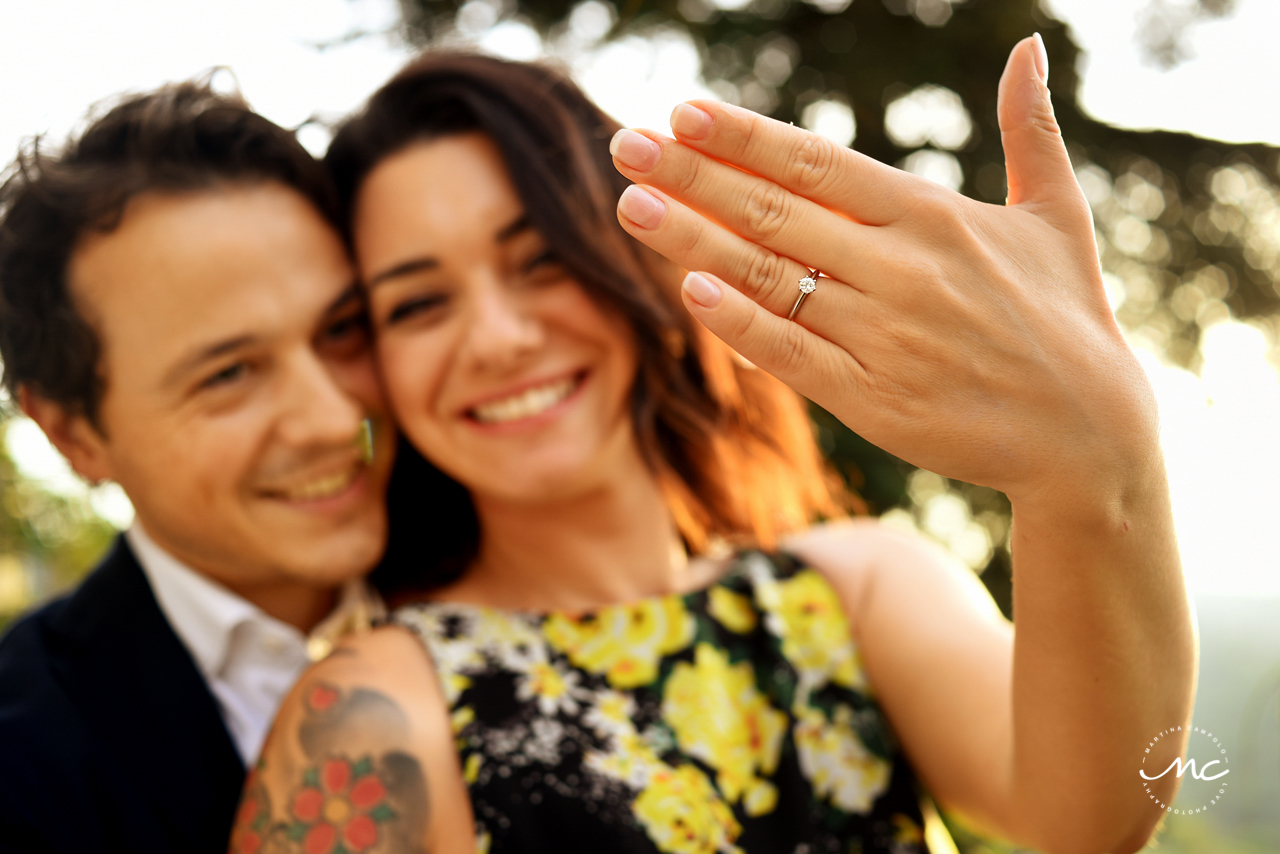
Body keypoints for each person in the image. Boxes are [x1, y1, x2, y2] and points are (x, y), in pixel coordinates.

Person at [236, 42, 1194, 854]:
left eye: (540, 260)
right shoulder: (365, 721)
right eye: (418, 303)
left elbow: (1092, 813)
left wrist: (1100, 467)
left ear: (637, 264)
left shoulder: (853, 590)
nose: (495, 338)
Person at [0, 81, 396, 854]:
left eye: (341, 328)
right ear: (72, 436)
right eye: (228, 374)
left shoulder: (528, 559)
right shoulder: (23, 769)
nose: (334, 420)